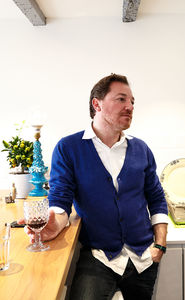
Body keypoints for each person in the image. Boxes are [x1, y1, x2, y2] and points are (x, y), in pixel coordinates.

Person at [21, 74, 168, 300]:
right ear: (96, 104)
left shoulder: (141, 149)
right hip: (98, 257)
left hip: (143, 258)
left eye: (132, 102)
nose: (129, 106)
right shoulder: (68, 148)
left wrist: (160, 244)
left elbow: (157, 199)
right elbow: (60, 201)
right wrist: (54, 224)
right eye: (121, 99)